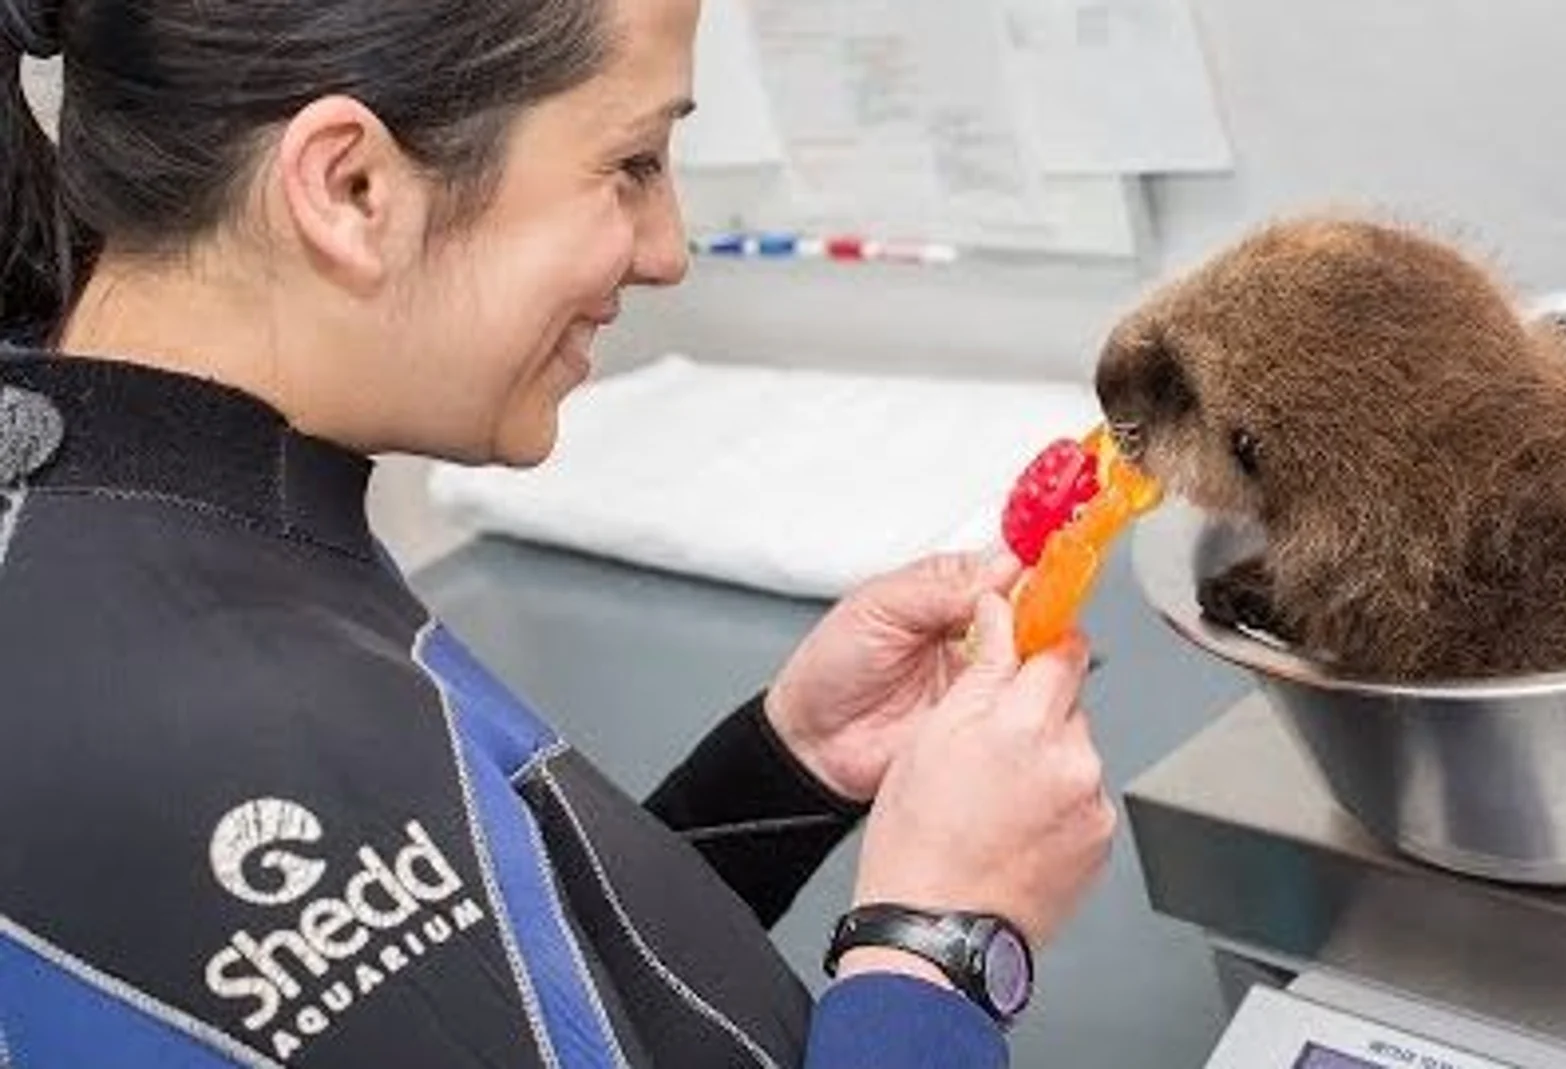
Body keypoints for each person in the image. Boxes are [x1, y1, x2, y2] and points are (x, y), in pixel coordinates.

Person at [0, 0, 1118, 1065]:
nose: (667, 248)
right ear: (350, 186)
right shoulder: (204, 707)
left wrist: (786, 769)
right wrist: (944, 943)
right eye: (632, 164)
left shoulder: (165, 522)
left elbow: (492, 997)